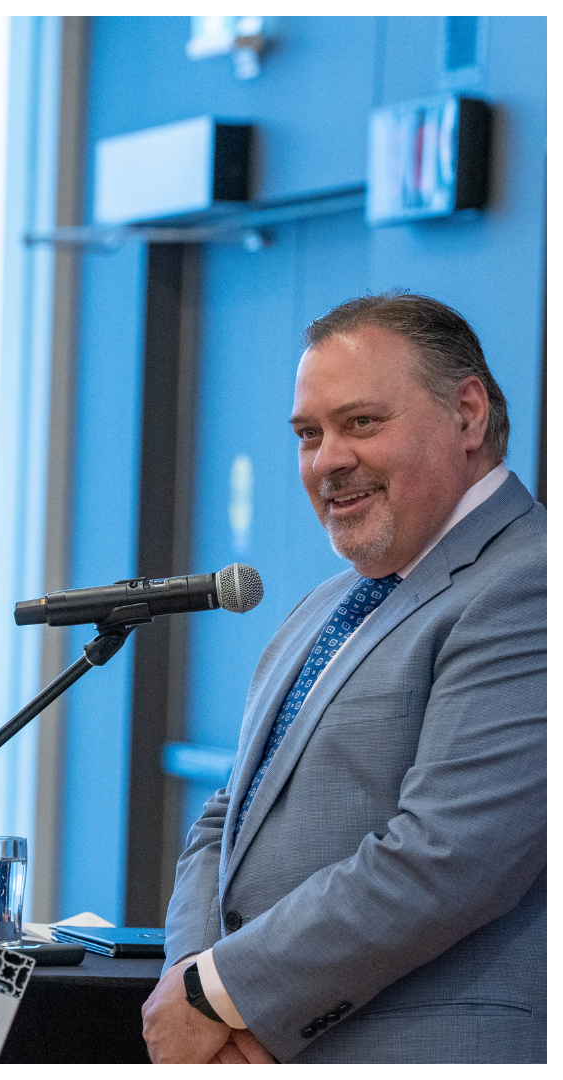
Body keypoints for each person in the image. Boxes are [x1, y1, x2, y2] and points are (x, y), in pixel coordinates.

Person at [144, 293, 545, 1064]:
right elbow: (225, 817)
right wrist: (192, 983)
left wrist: (218, 993)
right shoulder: (331, 602)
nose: (327, 459)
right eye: (308, 434)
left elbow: (449, 857)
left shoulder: (530, 586)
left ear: (467, 414)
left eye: (361, 422)